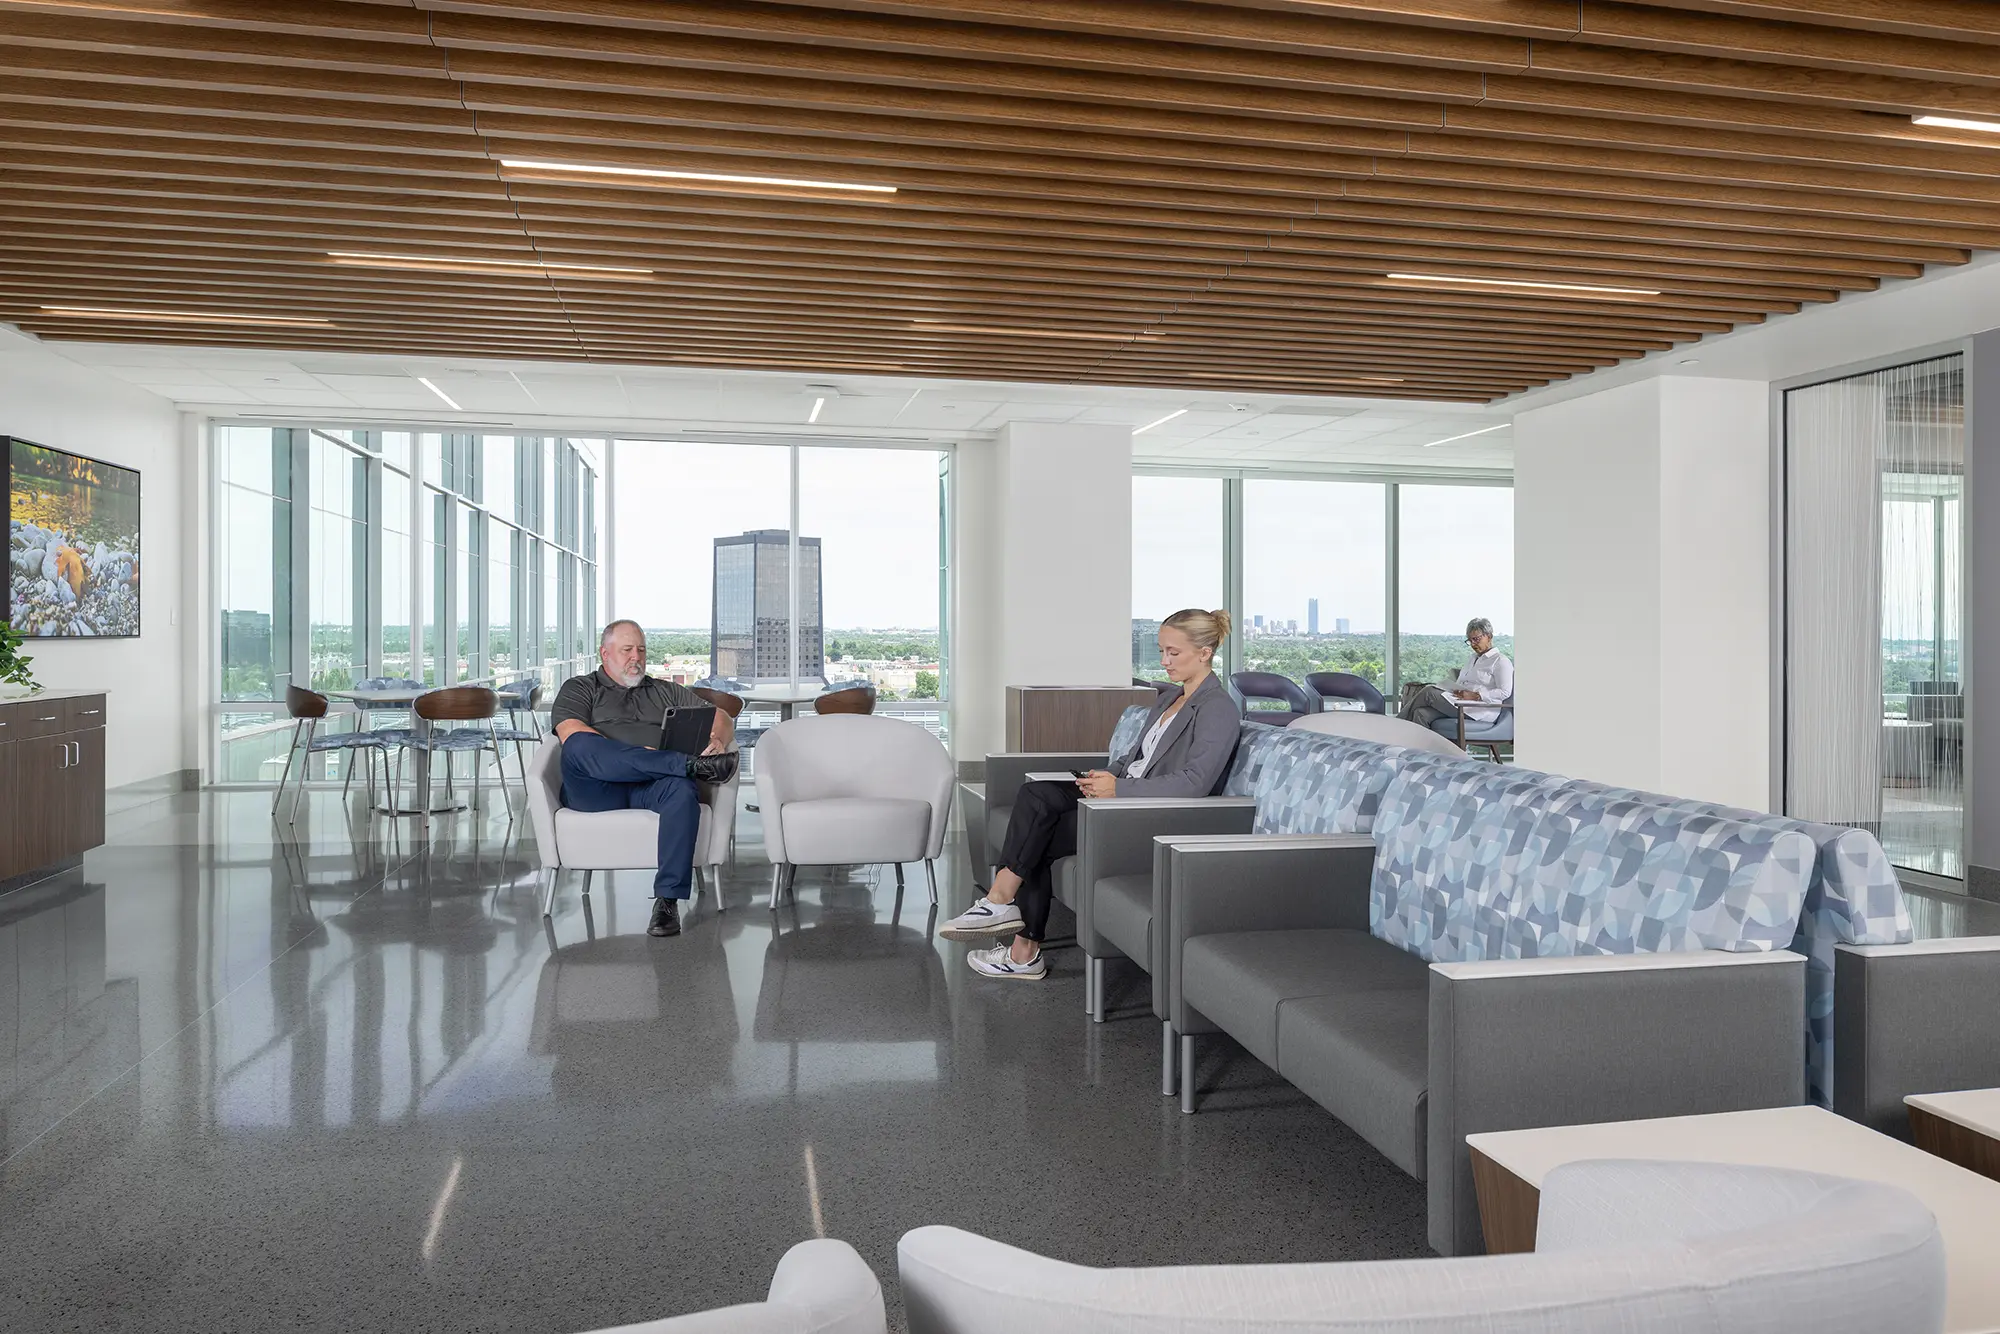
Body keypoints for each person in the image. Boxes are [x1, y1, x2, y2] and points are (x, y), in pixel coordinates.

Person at [938, 608, 1242, 981]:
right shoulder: (1169, 699)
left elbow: (1195, 782)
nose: (1164, 661)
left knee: (1038, 834)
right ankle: (1005, 914)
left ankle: (1013, 931)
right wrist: (1108, 776)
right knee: (1035, 795)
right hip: (1121, 795)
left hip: (1149, 813)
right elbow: (1139, 758)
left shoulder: (1217, 708)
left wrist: (1120, 789)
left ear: (1205, 652)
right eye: (1162, 651)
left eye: (1173, 653)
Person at [551, 619, 738, 939]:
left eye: (641, 650)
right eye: (626, 650)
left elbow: (721, 716)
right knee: (579, 744)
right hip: (595, 788)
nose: (635, 657)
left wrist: (717, 739)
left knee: (682, 790)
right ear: (605, 653)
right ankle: (686, 765)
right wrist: (645, 757)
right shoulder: (581, 688)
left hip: (652, 786)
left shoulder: (664, 690)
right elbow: (570, 732)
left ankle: (667, 902)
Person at [1401, 617, 1513, 733]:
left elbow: (1505, 691)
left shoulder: (1500, 661)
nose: (1473, 644)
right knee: (1420, 713)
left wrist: (1476, 695)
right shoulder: (1472, 659)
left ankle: (1396, 726)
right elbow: (1461, 683)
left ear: (1489, 636)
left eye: (1476, 639)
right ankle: (1418, 745)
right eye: (1470, 640)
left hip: (1479, 711)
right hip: (1461, 704)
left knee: (1429, 692)